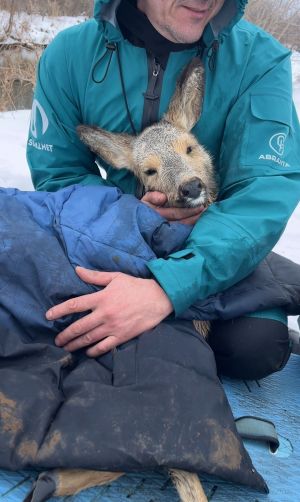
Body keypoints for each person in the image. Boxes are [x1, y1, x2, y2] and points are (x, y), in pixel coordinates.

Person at [27, 0, 300, 379]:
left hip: (223, 244)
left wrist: (167, 289)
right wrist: (131, 220)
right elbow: (58, 174)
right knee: (77, 334)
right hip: (114, 243)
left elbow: (262, 195)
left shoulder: (259, 59)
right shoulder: (69, 56)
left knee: (255, 345)